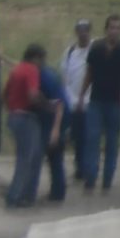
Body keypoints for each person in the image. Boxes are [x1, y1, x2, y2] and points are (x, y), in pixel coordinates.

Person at [84, 14, 120, 192]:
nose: (114, 31)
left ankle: (107, 179)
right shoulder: (96, 48)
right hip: (96, 99)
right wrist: (82, 94)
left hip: (116, 102)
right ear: (106, 29)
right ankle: (90, 177)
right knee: (92, 139)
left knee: (112, 142)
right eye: (112, 27)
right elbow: (89, 72)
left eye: (118, 28)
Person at [2, 45, 50, 208]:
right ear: (35, 58)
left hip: (14, 116)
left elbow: (5, 94)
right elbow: (32, 95)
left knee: (34, 156)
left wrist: (11, 108)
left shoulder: (17, 69)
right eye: (42, 59)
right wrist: (46, 105)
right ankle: (16, 196)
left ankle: (27, 194)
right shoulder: (31, 70)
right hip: (26, 118)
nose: (43, 63)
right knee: (26, 159)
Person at [60, 19, 95, 189]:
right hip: (73, 103)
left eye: (86, 30)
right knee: (77, 138)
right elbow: (65, 77)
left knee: (90, 137)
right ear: (76, 32)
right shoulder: (70, 52)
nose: (83, 33)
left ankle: (89, 169)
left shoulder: (95, 49)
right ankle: (80, 168)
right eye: (80, 30)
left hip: (91, 101)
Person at [37, 48, 70, 205]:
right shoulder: (47, 72)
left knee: (55, 156)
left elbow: (59, 104)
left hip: (55, 120)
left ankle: (57, 192)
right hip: (56, 119)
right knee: (54, 157)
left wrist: (55, 130)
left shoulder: (46, 76)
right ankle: (57, 190)